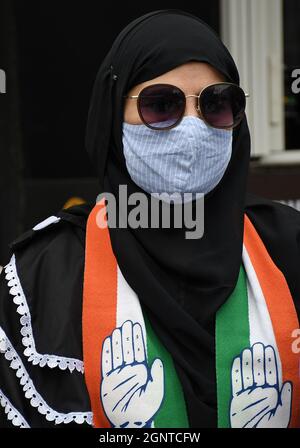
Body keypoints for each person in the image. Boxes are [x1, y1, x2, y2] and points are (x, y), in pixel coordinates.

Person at [0, 9, 299, 429]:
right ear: (111, 118)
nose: (192, 130)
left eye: (216, 105)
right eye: (161, 104)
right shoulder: (45, 274)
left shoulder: (287, 247)